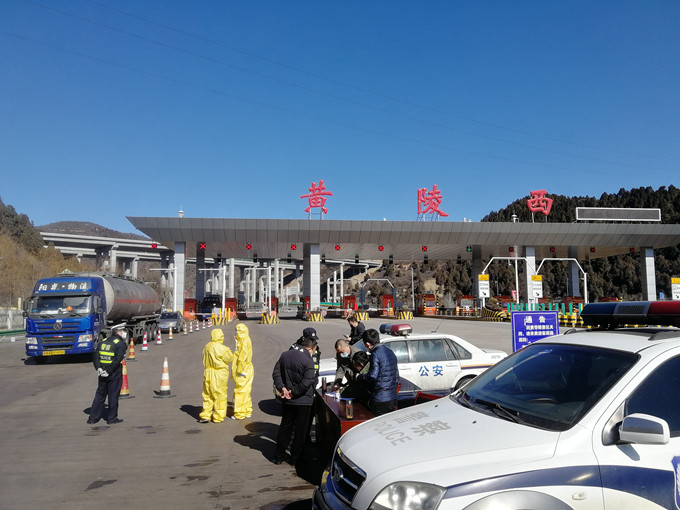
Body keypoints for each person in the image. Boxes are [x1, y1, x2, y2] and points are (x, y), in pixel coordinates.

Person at [272, 335, 318, 465]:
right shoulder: (308, 361)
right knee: (300, 431)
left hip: (288, 400)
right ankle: (295, 458)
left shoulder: (285, 355)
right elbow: (307, 381)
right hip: (303, 400)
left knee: (285, 428)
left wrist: (283, 388)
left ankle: (279, 456)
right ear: (310, 348)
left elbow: (276, 373)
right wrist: (294, 392)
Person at [87, 324, 128, 425]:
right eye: (123, 331)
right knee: (113, 395)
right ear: (118, 332)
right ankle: (112, 418)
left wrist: (99, 368)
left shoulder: (104, 341)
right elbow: (117, 360)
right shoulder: (120, 344)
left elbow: (95, 356)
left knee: (100, 395)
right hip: (114, 373)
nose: (124, 333)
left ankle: (93, 418)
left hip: (102, 373)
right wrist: (109, 371)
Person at [357, 328, 399, 416]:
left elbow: (373, 376)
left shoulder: (375, 354)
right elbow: (396, 376)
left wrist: (359, 377)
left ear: (368, 344)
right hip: (392, 397)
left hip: (380, 398)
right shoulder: (390, 352)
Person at [199, 328, 234, 423]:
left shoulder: (206, 347)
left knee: (207, 395)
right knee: (220, 395)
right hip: (219, 374)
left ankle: (205, 415)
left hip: (208, 372)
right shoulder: (222, 348)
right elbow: (229, 359)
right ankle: (218, 416)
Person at [231, 323, 253, 420]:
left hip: (243, 369)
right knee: (246, 391)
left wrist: (239, 369)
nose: (235, 332)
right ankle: (247, 410)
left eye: (236, 330)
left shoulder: (243, 342)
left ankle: (239, 413)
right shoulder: (246, 339)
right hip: (248, 368)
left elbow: (242, 357)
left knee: (240, 391)